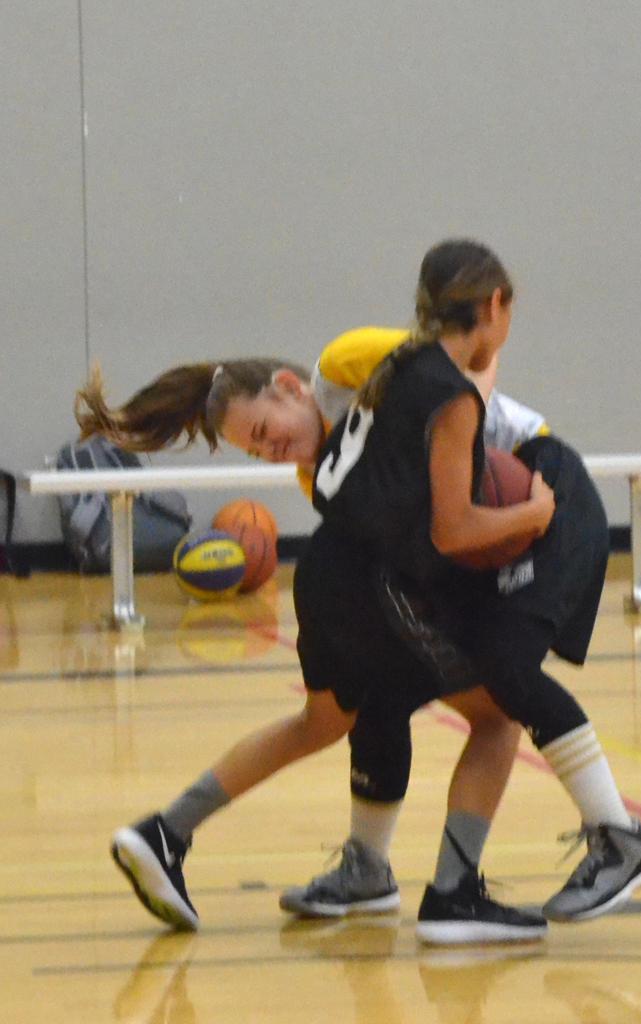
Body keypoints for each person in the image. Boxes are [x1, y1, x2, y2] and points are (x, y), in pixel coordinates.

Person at [77, 329, 549, 929]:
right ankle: (456, 894)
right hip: (366, 580)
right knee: (498, 714)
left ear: (290, 387)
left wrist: (479, 348)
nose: (268, 450)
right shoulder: (327, 455)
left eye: (261, 432)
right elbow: (454, 406)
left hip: (338, 583)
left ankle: (172, 833)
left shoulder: (353, 373)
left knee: (331, 720)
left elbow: (450, 366)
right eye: (255, 450)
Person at [309, 238, 641, 934]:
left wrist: (535, 514)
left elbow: (449, 524)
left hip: (551, 499)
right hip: (510, 518)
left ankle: (621, 837)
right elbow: (451, 531)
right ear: (495, 303)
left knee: (505, 669)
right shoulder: (438, 387)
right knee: (406, 688)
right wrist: (527, 513)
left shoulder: (408, 372)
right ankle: (440, 890)